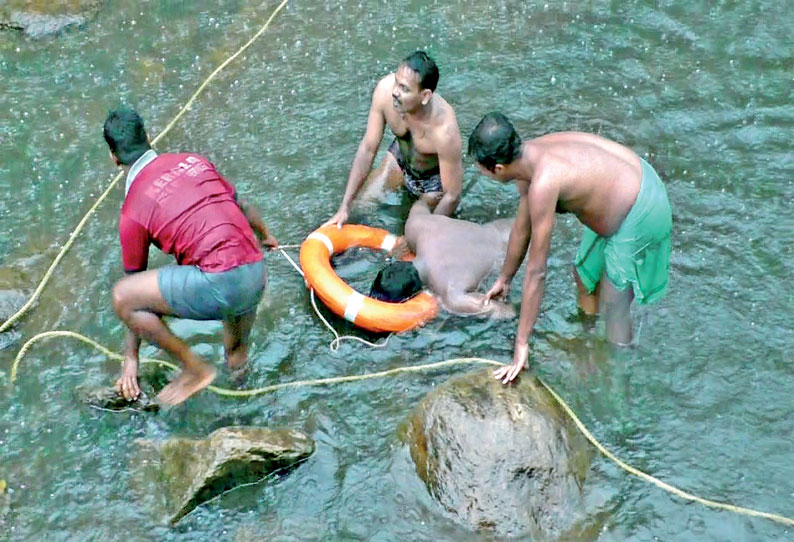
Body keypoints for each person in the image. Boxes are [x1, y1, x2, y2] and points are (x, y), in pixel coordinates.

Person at [468, 112, 672, 384]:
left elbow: (538, 271)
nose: (481, 173)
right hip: (624, 186)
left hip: (642, 209)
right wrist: (505, 278)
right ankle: (586, 340)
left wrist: (521, 345)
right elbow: (521, 227)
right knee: (585, 276)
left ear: (498, 168)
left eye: (481, 168)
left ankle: (618, 377)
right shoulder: (528, 157)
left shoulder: (543, 182)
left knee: (614, 303)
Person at [103, 107, 278, 405]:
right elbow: (242, 205)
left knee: (121, 296)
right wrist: (266, 236)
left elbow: (133, 293)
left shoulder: (132, 210)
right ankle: (245, 406)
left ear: (114, 157)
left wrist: (130, 358)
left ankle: (193, 368)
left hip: (220, 281)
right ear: (148, 136)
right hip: (255, 271)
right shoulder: (192, 161)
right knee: (236, 352)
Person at [324, 51, 463, 227]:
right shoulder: (384, 91)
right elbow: (368, 148)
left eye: (404, 88)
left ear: (425, 96)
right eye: (396, 82)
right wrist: (344, 206)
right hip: (400, 158)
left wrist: (428, 232)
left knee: (413, 225)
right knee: (361, 206)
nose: (395, 92)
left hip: (433, 181)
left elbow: (452, 195)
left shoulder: (445, 131)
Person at [370, 200, 514, 319]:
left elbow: (508, 312)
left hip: (520, 254)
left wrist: (440, 306)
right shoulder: (415, 226)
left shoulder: (452, 295)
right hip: (508, 227)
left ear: (414, 297)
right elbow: (423, 202)